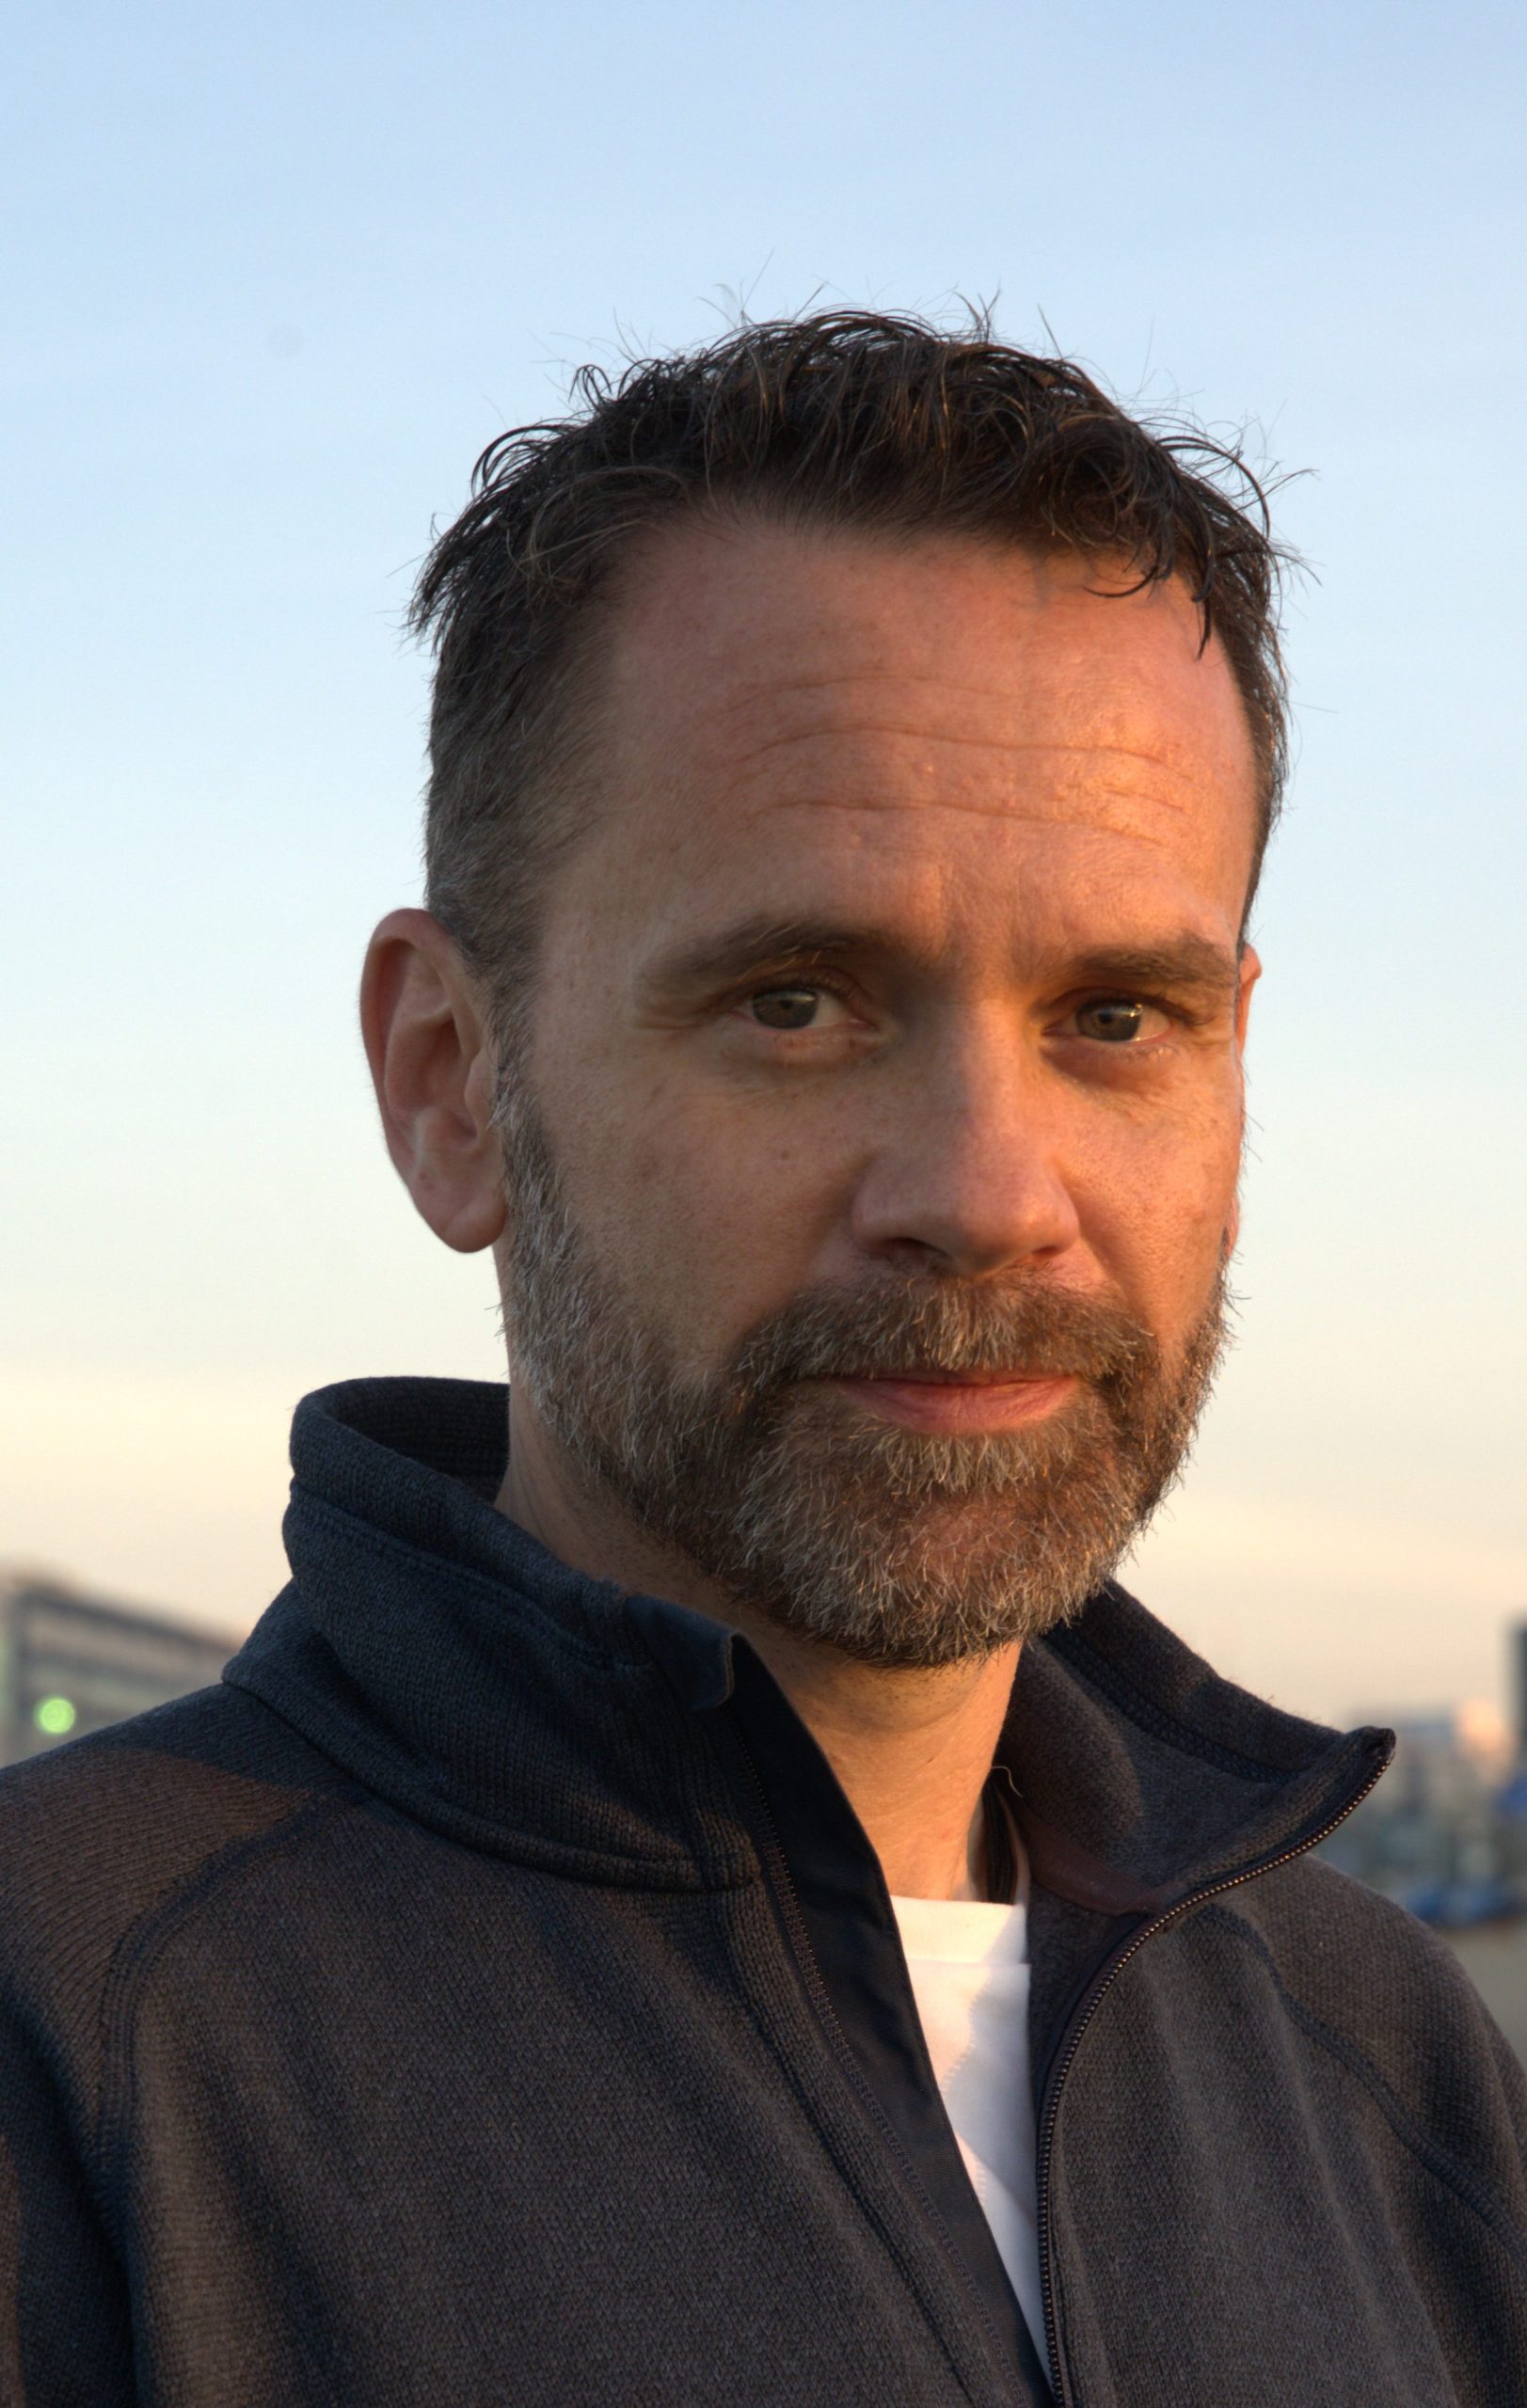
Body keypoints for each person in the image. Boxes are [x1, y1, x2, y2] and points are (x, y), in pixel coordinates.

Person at [2, 312, 1523, 2408]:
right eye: (797, 1002)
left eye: (1116, 1018)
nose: (986, 1193)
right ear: (450, 1082)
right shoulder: (69, 2043)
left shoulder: (1390, 2062)